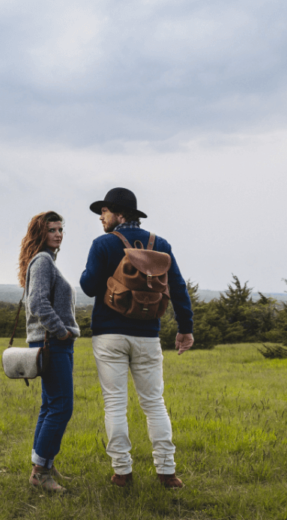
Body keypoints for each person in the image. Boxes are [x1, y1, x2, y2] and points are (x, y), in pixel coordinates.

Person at [79, 187, 194, 489]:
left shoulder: (103, 244)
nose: (100, 217)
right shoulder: (161, 245)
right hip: (147, 336)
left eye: (103, 211)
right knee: (154, 403)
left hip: (109, 335)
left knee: (115, 403)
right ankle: (167, 473)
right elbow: (178, 288)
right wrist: (185, 329)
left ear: (118, 214)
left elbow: (89, 287)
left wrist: (91, 271)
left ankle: (122, 473)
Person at [18, 211, 80, 493]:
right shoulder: (43, 260)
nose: (58, 234)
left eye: (60, 229)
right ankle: (40, 472)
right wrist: (62, 331)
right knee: (61, 406)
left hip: (49, 342)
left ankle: (43, 463)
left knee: (50, 405)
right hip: (52, 343)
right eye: (52, 230)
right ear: (40, 234)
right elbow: (38, 303)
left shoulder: (44, 260)